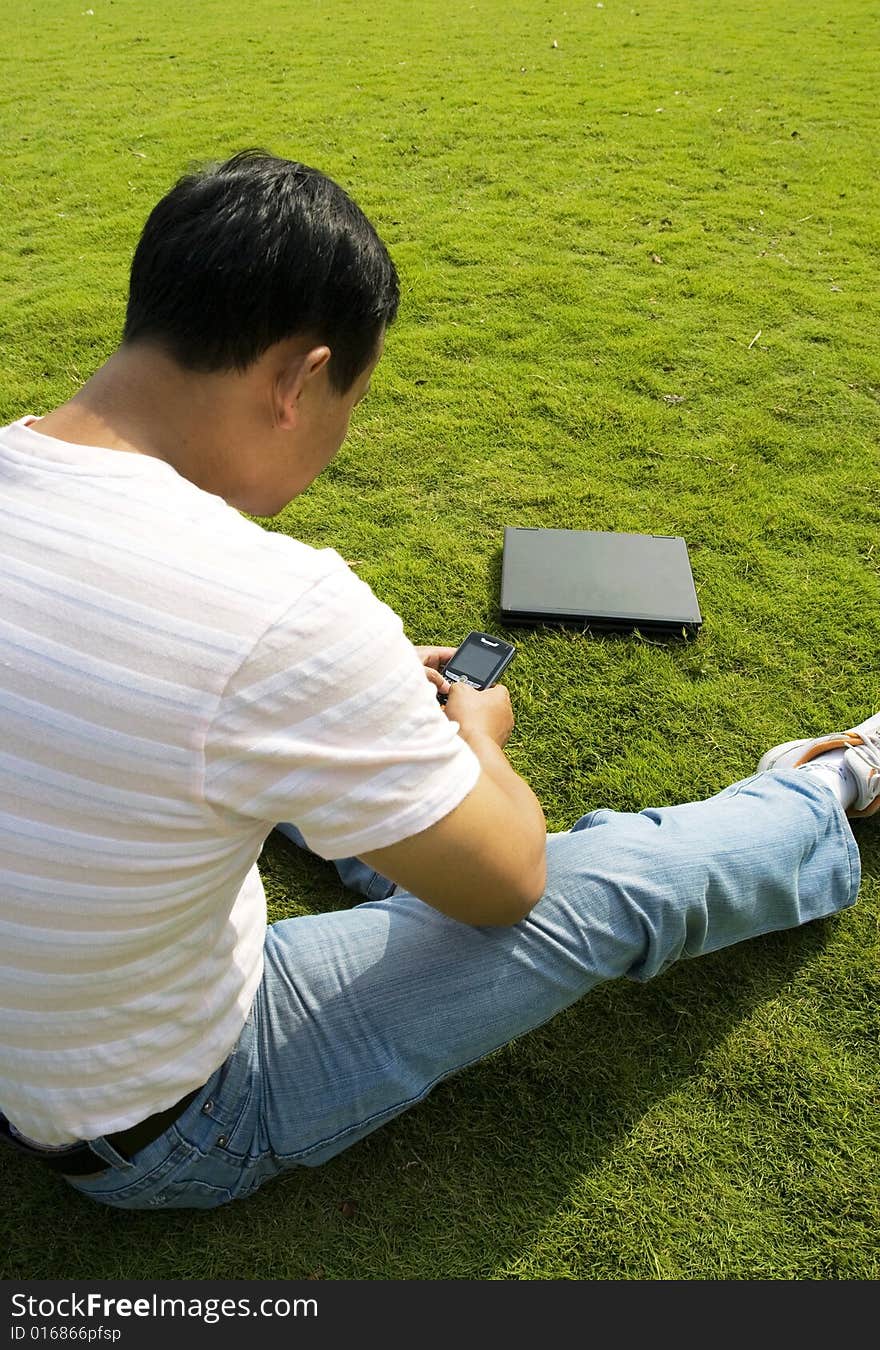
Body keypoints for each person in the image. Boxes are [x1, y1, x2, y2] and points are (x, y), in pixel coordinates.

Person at [0, 150, 876, 1212]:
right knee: (588, 887)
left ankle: (395, 813)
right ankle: (826, 786)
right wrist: (477, 740)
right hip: (169, 1124)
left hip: (36, 1057)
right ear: (298, 379)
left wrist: (347, 696)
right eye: (352, 400)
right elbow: (511, 884)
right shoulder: (272, 610)